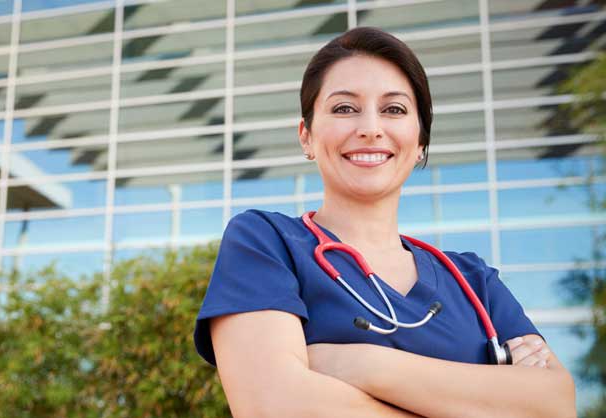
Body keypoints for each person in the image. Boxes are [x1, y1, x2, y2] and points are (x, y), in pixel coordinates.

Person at [192, 27, 576, 418]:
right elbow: (274, 406)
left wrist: (359, 365)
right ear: (306, 136)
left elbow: (557, 405)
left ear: (420, 141)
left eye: (394, 109)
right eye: (344, 108)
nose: (371, 128)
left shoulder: (474, 282)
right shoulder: (266, 243)